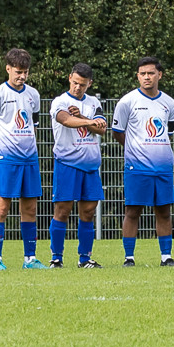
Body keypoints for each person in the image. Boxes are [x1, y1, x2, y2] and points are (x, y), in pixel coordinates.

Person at [112, 56, 174, 266]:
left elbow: (168, 133)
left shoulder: (169, 103)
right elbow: (117, 132)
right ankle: (129, 258)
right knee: (133, 211)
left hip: (163, 167)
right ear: (137, 76)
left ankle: (166, 257)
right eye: (143, 74)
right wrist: (134, 149)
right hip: (137, 166)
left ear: (160, 75)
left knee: (164, 211)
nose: (147, 77)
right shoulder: (127, 102)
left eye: (151, 73)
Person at [0, 47, 42, 270]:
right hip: (5, 160)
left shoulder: (33, 95)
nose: (22, 76)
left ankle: (30, 259)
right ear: (8, 69)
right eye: (18, 72)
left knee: (30, 209)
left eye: (25, 72)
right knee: (1, 208)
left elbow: (34, 126)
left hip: (29, 160)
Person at [49, 63, 108, 267]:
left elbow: (101, 129)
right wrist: (87, 121)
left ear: (89, 83)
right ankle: (56, 258)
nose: (77, 87)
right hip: (67, 163)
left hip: (90, 165)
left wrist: (83, 117)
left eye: (82, 84)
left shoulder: (94, 103)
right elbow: (65, 120)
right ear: (69, 78)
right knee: (63, 210)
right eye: (75, 82)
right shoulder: (60, 101)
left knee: (89, 211)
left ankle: (84, 259)